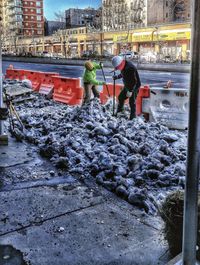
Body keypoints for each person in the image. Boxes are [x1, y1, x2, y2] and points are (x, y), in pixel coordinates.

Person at [111, 55, 141, 120]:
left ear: (121, 63)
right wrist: (117, 77)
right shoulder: (124, 65)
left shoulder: (130, 68)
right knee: (121, 97)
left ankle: (133, 118)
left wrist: (130, 91)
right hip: (127, 85)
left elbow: (134, 82)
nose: (118, 69)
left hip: (134, 87)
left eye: (118, 67)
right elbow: (123, 73)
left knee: (132, 102)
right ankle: (120, 111)